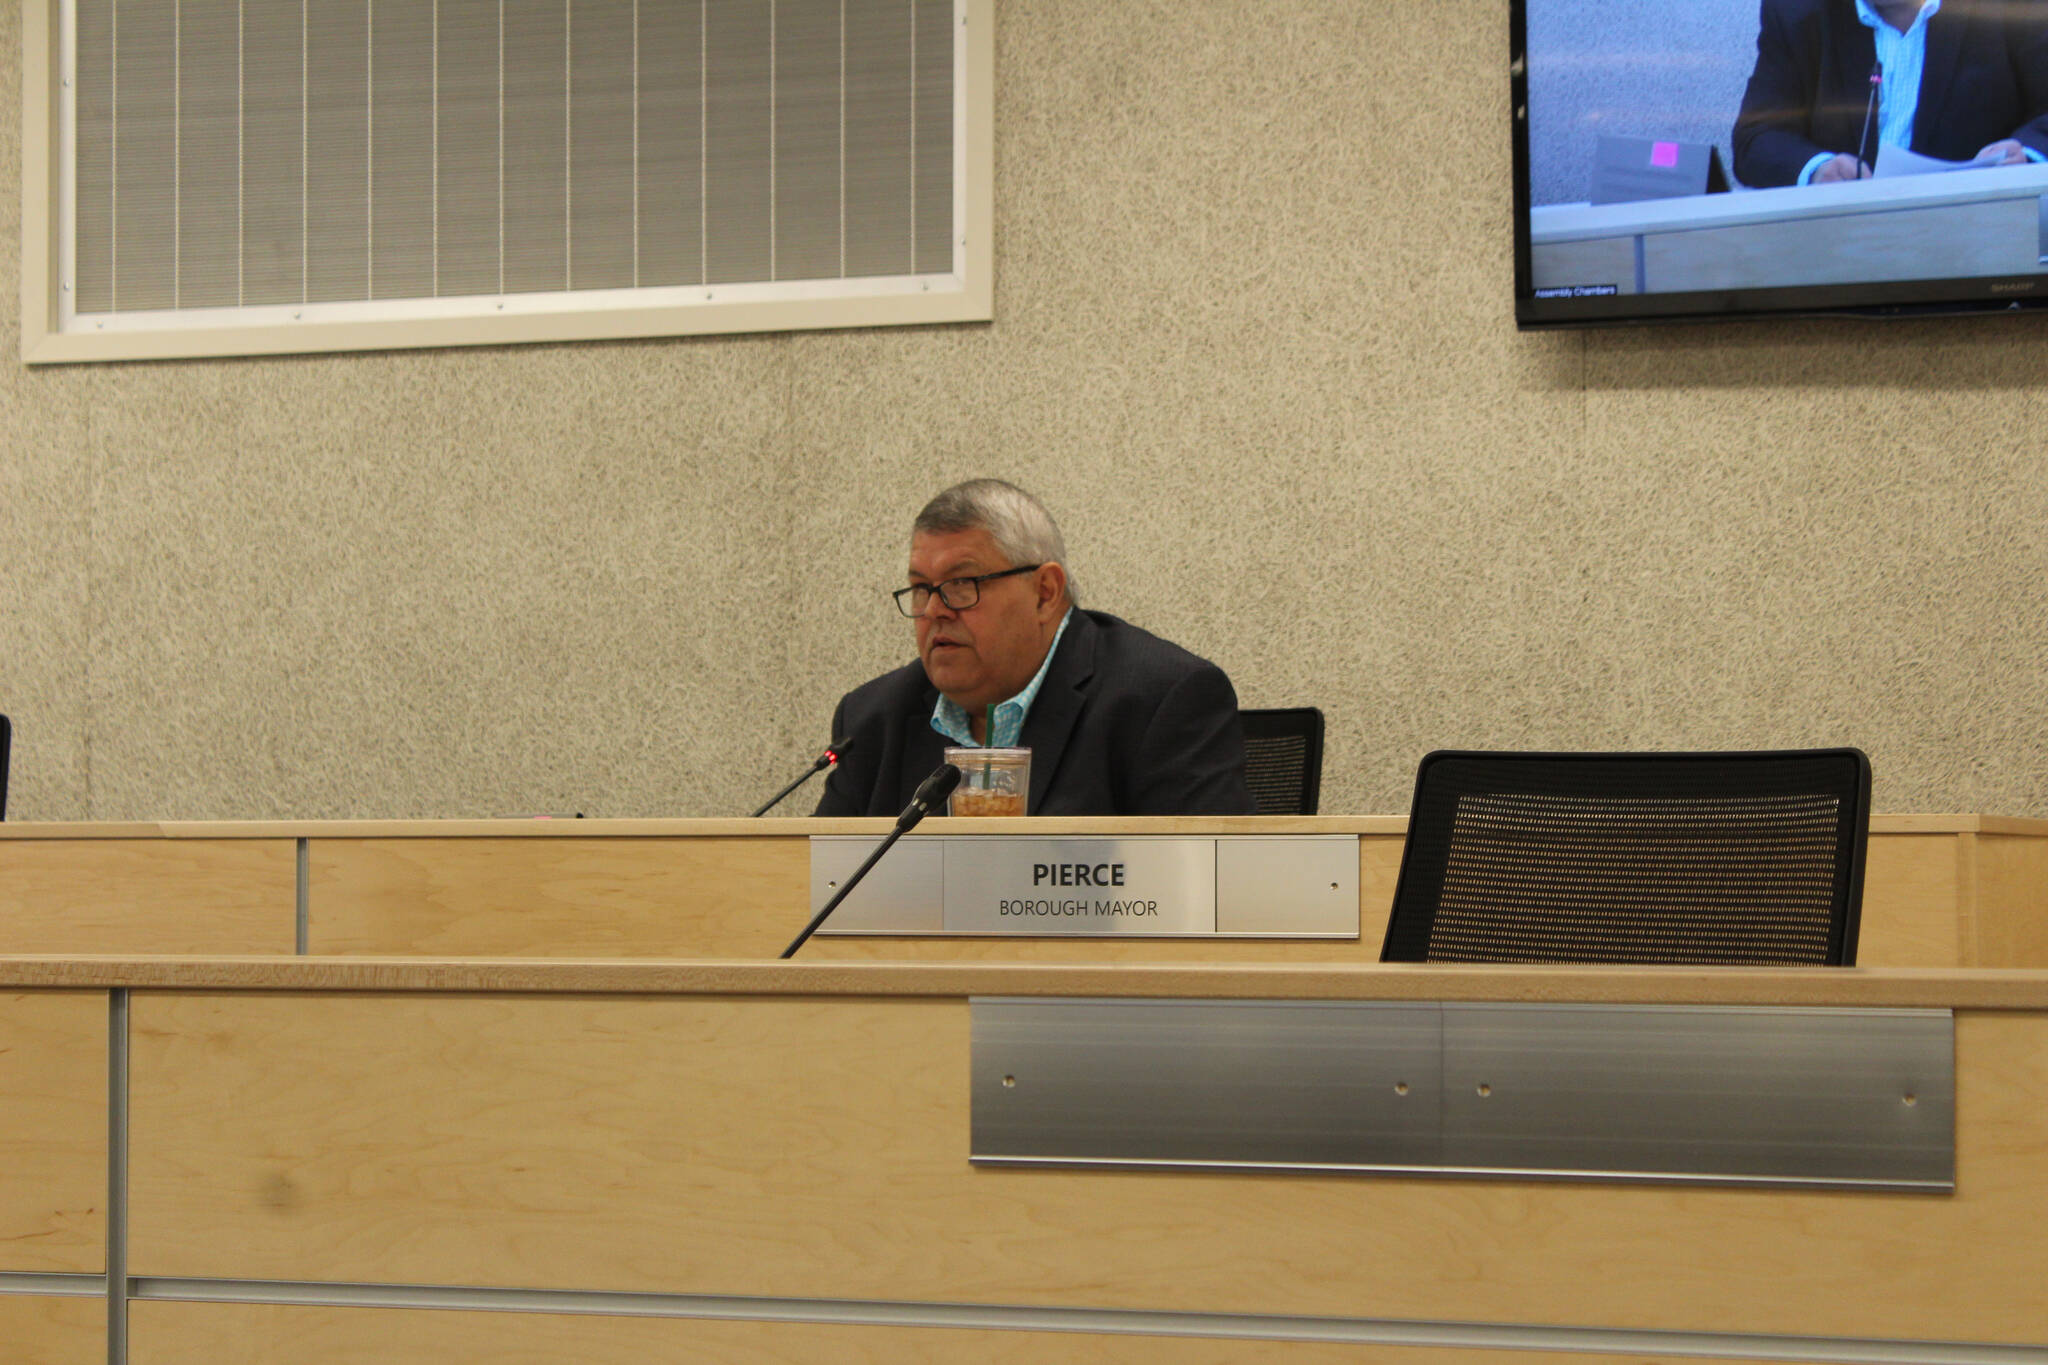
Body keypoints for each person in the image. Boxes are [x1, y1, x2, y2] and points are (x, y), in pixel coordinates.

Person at [813, 479, 1255, 817]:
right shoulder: (871, 720)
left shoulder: (1160, 701)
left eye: (962, 584)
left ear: (1045, 592)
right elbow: (818, 893)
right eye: (921, 588)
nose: (934, 610)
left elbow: (1197, 903)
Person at [1732, 0, 2048, 188]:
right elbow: (1757, 137)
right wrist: (1818, 169)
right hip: (1840, 251)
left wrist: (2027, 156)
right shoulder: (1797, 11)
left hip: (1978, 246)